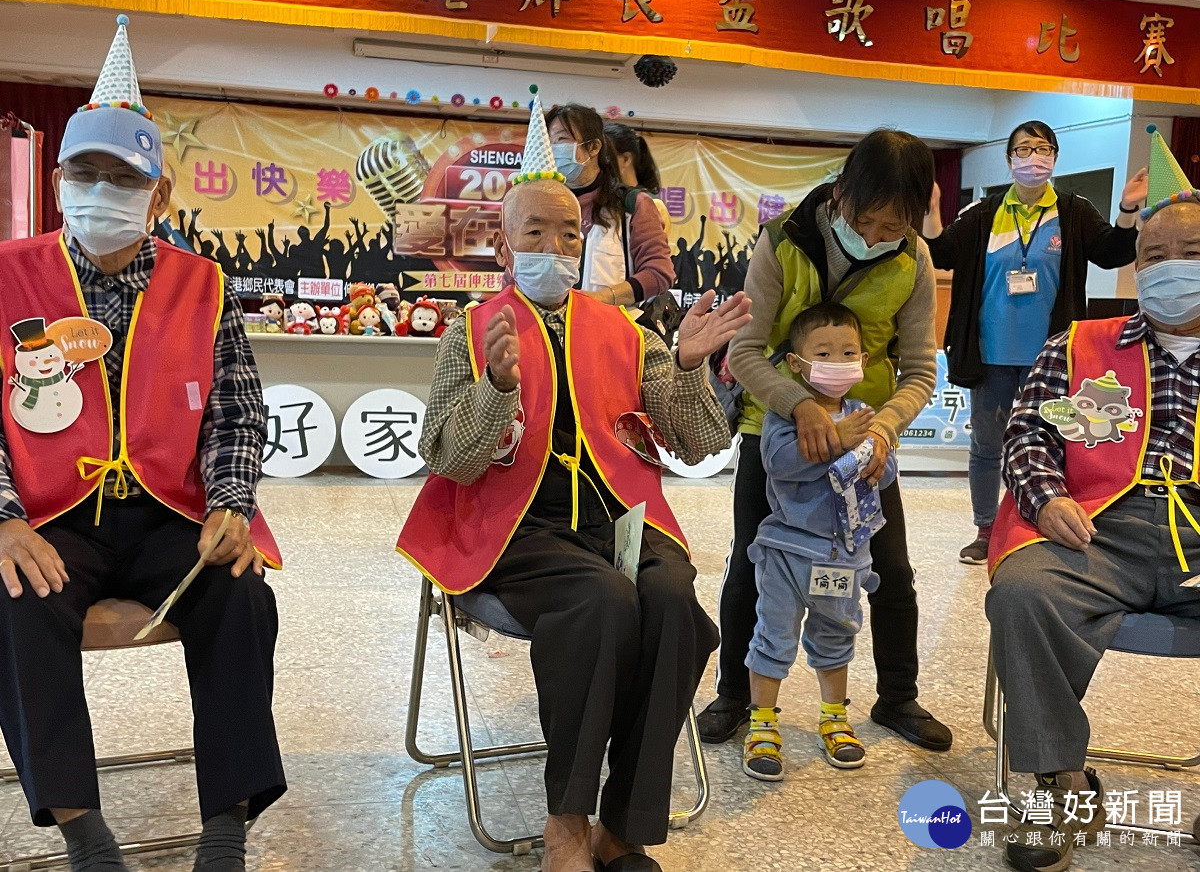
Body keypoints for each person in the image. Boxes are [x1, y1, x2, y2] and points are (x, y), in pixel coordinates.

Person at [396, 93, 751, 872]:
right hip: (515, 531)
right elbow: (448, 461)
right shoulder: (472, 330)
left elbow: (703, 442)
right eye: (536, 233)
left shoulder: (622, 328)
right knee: (601, 602)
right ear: (502, 246)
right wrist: (492, 386)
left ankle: (623, 828)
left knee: (673, 605)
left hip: (622, 520)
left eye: (568, 233)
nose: (555, 246)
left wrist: (689, 365)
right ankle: (566, 823)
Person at [0, 16, 285, 872]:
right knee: (13, 599)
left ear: (158, 195)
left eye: (123, 177)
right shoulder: (8, 276)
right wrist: (5, 519)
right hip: (52, 515)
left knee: (243, 596)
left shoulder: (205, 286)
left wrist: (233, 504)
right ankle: (84, 831)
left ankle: (226, 827)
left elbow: (237, 411)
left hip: (170, 513)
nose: (101, 189)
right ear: (56, 182)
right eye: (84, 173)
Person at [985, 131, 1200, 872]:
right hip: (1100, 531)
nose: (1172, 270)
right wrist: (1045, 502)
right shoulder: (1081, 344)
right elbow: (1025, 437)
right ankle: (1059, 781)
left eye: (1191, 254)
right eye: (1154, 258)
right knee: (1023, 591)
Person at [698, 128, 952, 754]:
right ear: (841, 193)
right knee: (753, 561)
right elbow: (747, 350)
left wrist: (885, 429)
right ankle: (736, 694)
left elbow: (920, 368)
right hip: (774, 431)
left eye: (893, 228)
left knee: (889, 567)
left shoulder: (911, 259)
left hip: (865, 438)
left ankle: (897, 696)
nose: (873, 238)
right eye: (866, 220)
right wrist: (801, 406)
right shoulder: (783, 241)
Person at [923, 120, 1147, 564]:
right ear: (1009, 160)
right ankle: (986, 530)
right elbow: (942, 254)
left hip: (1053, 360)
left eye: (1043, 148)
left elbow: (1113, 252)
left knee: (1056, 446)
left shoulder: (1073, 210)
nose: (1033, 157)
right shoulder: (984, 213)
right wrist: (932, 210)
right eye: (1024, 149)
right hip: (990, 356)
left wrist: (1125, 210)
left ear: (1055, 158)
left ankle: (1040, 523)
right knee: (988, 448)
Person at [742, 303, 897, 780]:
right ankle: (762, 723)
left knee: (836, 637)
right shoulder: (784, 415)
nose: (837, 360)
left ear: (864, 360)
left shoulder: (865, 415)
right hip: (788, 554)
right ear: (795, 362)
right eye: (823, 353)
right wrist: (839, 439)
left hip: (845, 558)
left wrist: (875, 449)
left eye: (847, 352)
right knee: (774, 636)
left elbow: (884, 475)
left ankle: (834, 717)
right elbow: (782, 463)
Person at [545, 103, 674, 307]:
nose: (554, 149)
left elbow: (659, 273)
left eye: (562, 140)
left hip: (613, 327)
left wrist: (602, 299)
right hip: (551, 329)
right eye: (549, 142)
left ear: (594, 147)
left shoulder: (633, 205)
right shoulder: (543, 204)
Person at [605, 121, 671, 232]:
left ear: (626, 159)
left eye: (606, 157)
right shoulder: (602, 201)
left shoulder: (653, 205)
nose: (599, 164)